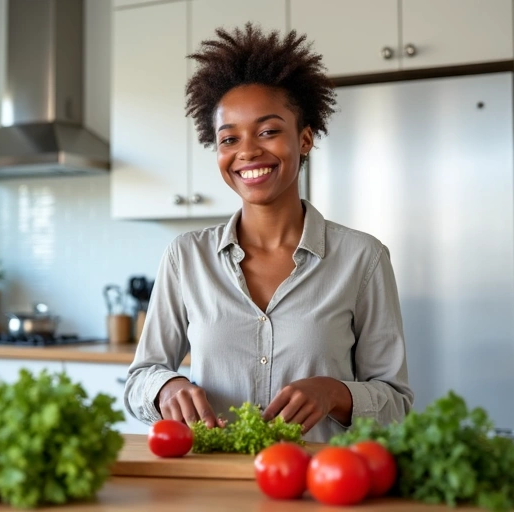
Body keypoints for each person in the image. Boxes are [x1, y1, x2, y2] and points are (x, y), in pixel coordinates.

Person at [124, 24, 414, 443]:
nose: (247, 152)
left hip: (320, 487)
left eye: (268, 131)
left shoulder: (362, 258)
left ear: (305, 138)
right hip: (216, 486)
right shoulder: (186, 257)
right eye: (229, 138)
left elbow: (397, 404)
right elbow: (138, 381)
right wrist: (166, 387)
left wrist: (335, 393)